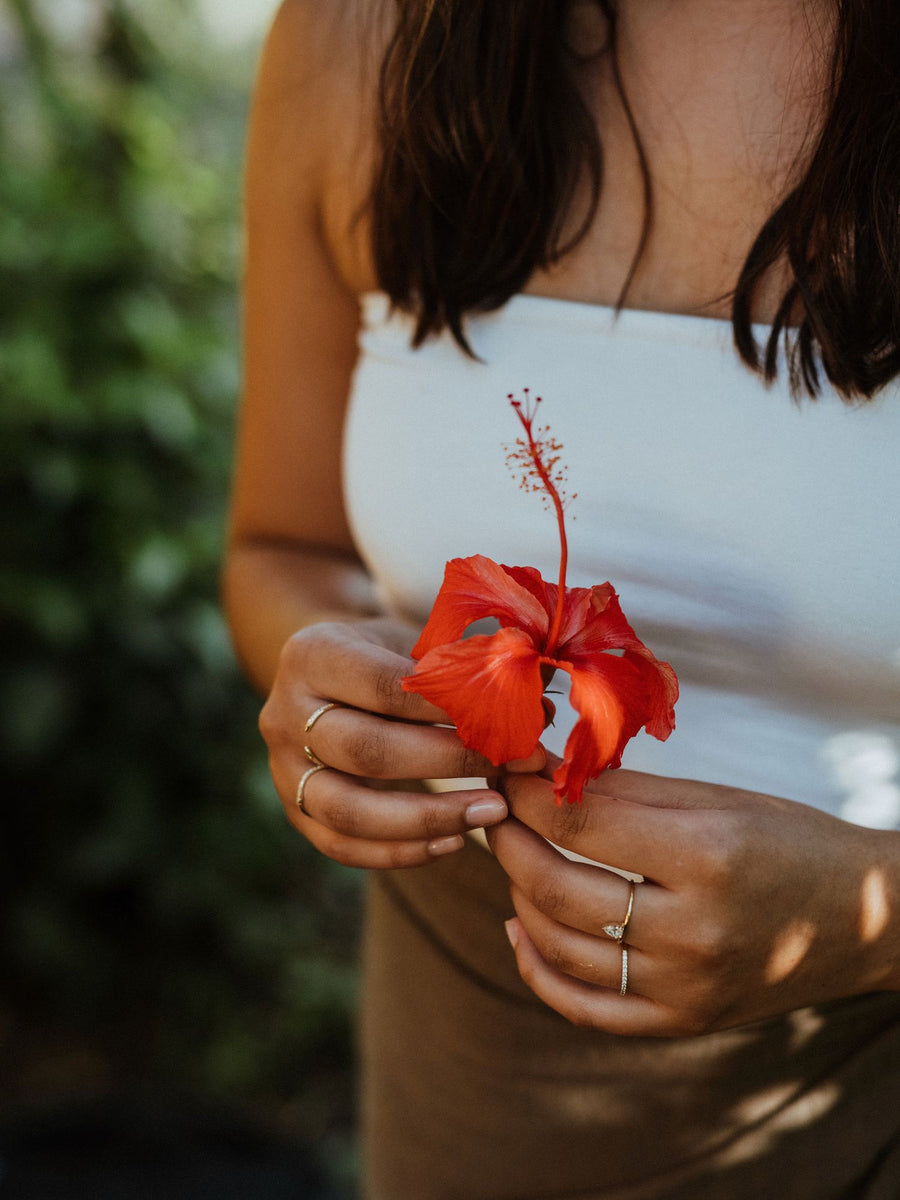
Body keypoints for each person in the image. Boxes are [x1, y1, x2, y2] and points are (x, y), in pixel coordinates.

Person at [224, 1, 900, 1195]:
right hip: (478, 1092)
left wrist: (870, 919)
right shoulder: (357, 35)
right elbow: (283, 548)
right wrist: (345, 694)